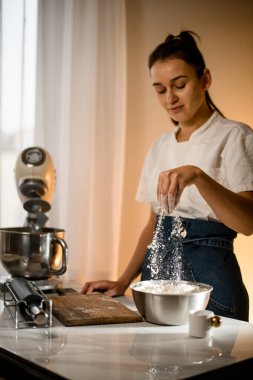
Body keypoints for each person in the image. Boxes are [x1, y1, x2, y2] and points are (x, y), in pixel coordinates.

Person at [81, 30, 253, 321]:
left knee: (212, 365)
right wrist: (123, 281)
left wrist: (198, 176)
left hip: (212, 283)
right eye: (160, 89)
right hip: (156, 278)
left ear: (205, 79)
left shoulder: (235, 136)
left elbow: (247, 223)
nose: (170, 98)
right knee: (157, 364)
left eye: (180, 84)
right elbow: (154, 223)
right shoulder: (160, 145)